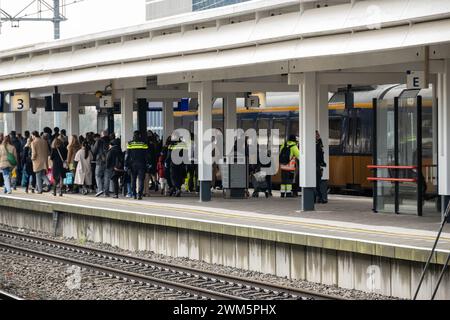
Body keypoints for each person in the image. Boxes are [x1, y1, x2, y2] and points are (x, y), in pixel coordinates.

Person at [125, 131, 150, 200]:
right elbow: (147, 155)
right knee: (141, 180)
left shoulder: (130, 144)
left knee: (133, 179)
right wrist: (148, 163)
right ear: (139, 135)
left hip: (132, 164)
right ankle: (139, 194)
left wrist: (126, 165)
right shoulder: (144, 144)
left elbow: (127, 155)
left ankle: (134, 195)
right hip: (142, 164)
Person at [92, 130, 111, 197]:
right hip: (109, 161)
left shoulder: (99, 141)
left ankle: (100, 189)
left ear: (102, 135)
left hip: (100, 161)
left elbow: (94, 151)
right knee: (107, 177)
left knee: (98, 175)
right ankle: (106, 193)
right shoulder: (110, 141)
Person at [315, 131, 327, 204]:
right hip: (314, 165)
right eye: (316, 135)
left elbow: (321, 154)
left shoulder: (319, 143)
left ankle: (320, 198)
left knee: (318, 182)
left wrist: (323, 162)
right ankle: (320, 197)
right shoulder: (312, 144)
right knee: (316, 182)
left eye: (318, 135)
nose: (318, 136)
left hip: (318, 164)